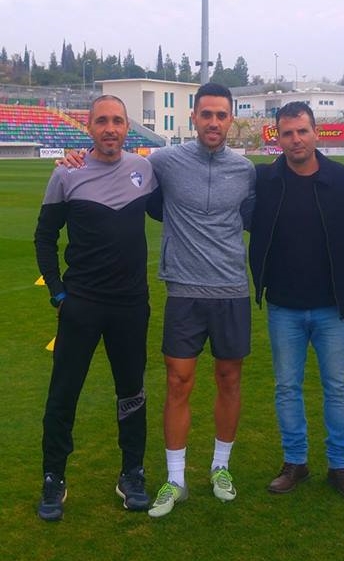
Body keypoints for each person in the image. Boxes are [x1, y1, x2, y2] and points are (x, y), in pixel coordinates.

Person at [34, 95, 158, 521]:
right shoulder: (66, 173)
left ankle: (132, 473)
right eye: (102, 121)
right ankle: (53, 477)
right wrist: (58, 293)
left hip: (130, 306)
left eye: (117, 121)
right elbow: (45, 237)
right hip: (82, 305)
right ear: (89, 127)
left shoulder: (145, 170)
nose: (110, 128)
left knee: (132, 392)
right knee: (63, 394)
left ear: (127, 127)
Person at [146, 83, 256, 517]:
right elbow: (122, 172)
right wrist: (75, 161)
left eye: (221, 115)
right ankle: (175, 479)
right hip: (184, 291)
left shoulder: (246, 170)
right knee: (178, 383)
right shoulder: (164, 162)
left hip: (231, 291)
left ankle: (220, 467)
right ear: (193, 117)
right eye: (206, 114)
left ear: (231, 120)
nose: (213, 122)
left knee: (229, 380)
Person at [249, 102, 344, 499]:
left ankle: (340, 466)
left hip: (333, 306)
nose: (296, 139)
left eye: (302, 131)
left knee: (339, 388)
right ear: (277, 137)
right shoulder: (264, 180)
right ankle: (295, 462)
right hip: (284, 306)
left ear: (316, 133)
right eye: (288, 133)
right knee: (287, 387)